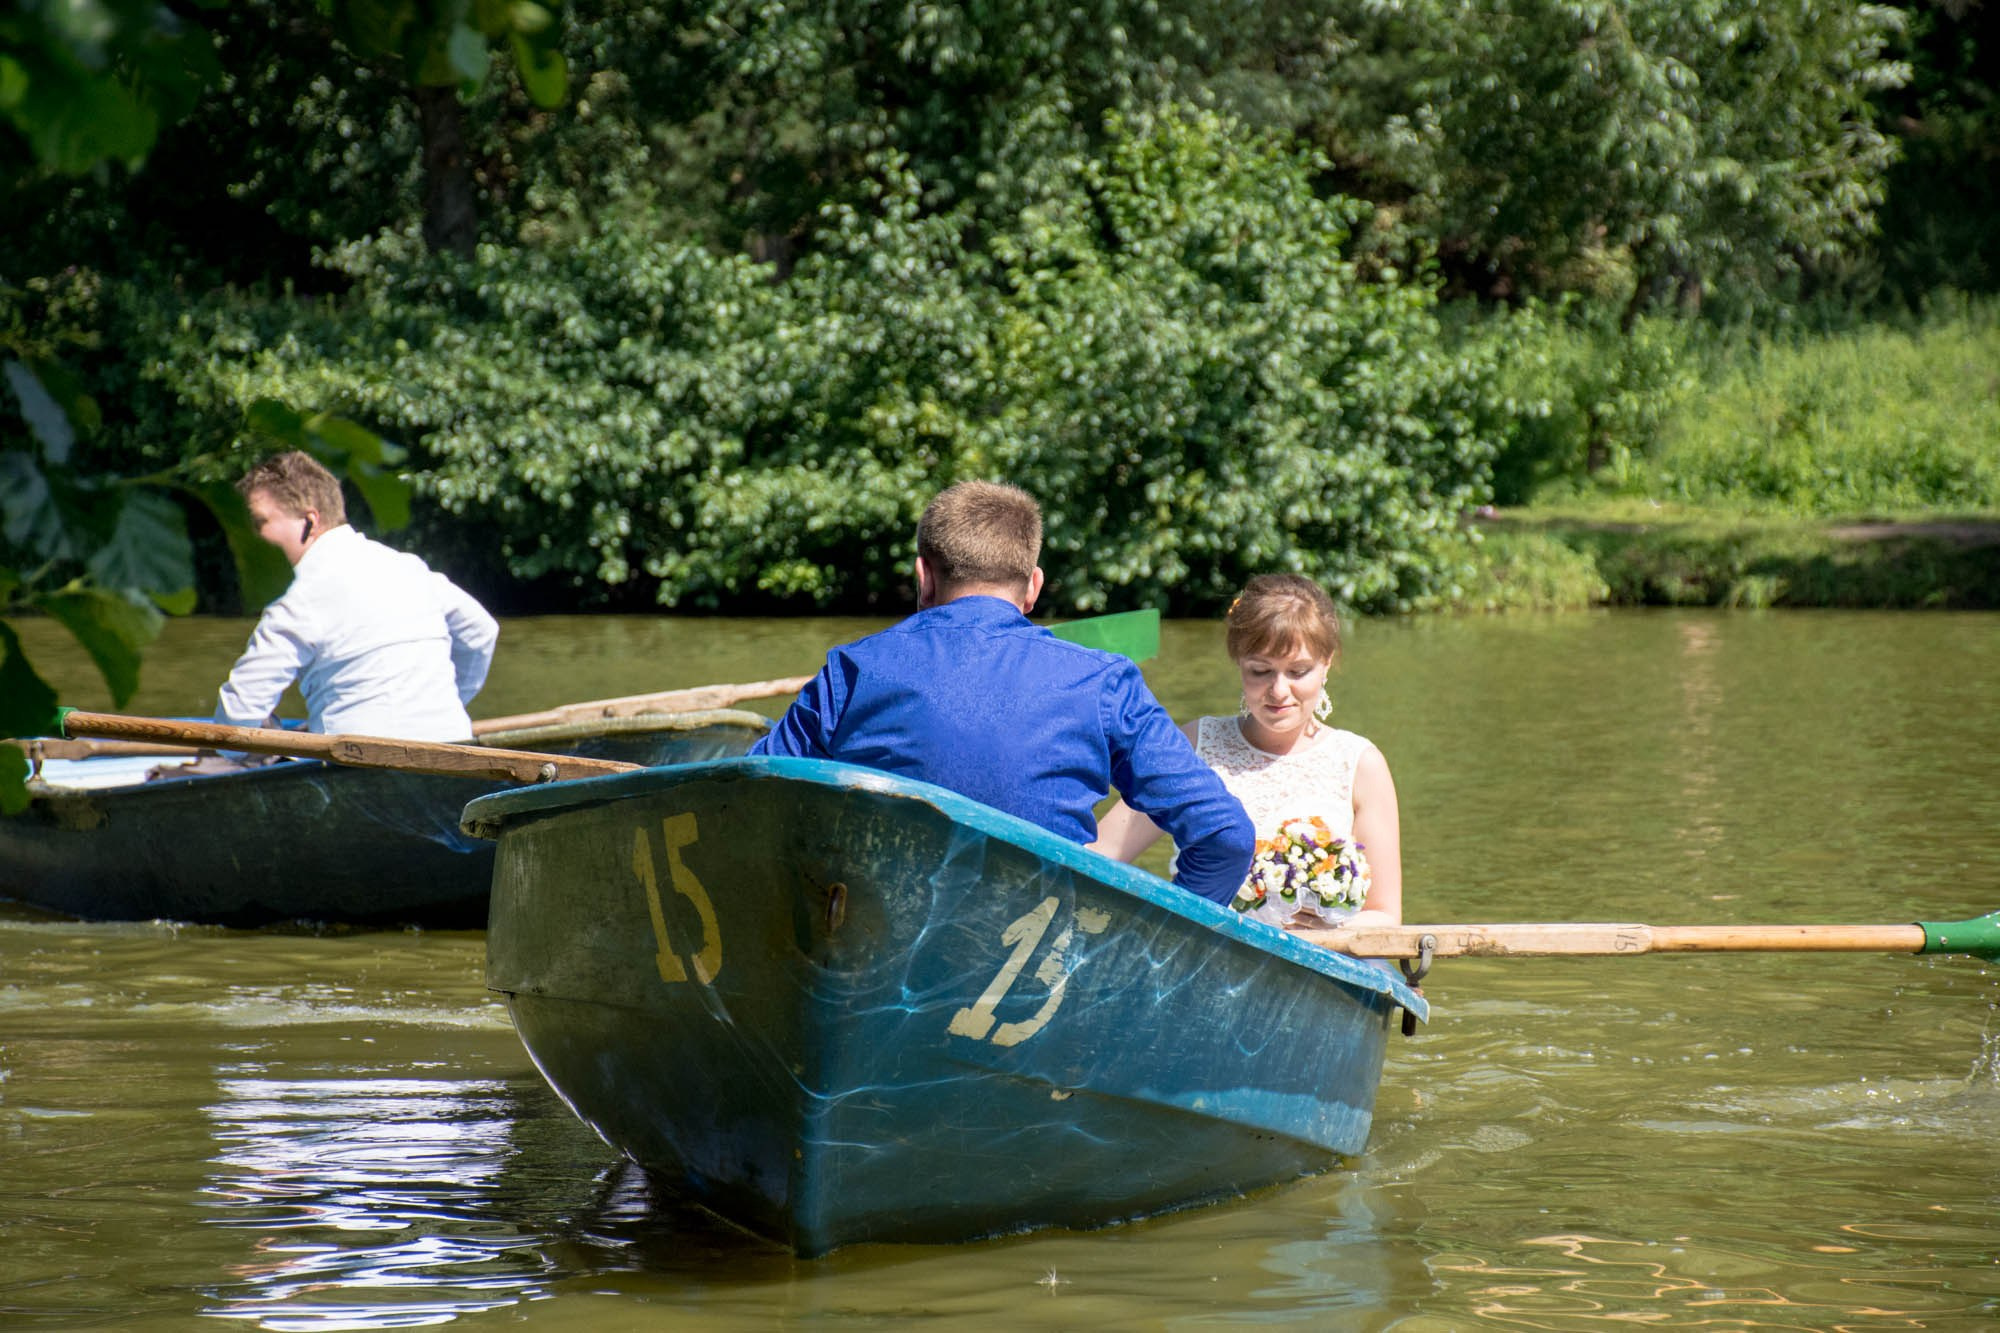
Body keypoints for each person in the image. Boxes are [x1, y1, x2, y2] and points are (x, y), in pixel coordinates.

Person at [750, 481, 1255, 904]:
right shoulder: (1104, 681)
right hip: (1037, 966)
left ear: (923, 577)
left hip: (877, 945)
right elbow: (1225, 838)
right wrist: (1152, 956)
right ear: (1033, 587)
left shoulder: (851, 669)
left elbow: (752, 800)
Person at [1089, 574, 1403, 928]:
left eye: (1298, 672)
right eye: (1261, 671)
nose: (1279, 691)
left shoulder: (1361, 764)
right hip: (1205, 954)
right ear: (1239, 661)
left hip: (1322, 963)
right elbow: (1102, 855)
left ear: (1326, 663)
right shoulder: (1195, 744)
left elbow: (1385, 917)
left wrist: (1326, 931)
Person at [213, 451, 499, 742]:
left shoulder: (296, 595)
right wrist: (446, 702)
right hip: (453, 744)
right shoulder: (409, 567)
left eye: (260, 522)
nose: (251, 536)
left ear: (309, 522)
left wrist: (241, 752)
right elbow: (481, 632)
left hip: (357, 767)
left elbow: (238, 716)